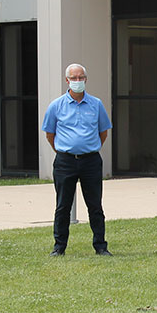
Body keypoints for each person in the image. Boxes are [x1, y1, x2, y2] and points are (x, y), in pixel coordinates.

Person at [42, 63, 113, 256]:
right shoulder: (56, 105)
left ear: (86, 80)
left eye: (81, 78)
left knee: (95, 205)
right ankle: (59, 247)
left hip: (90, 161)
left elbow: (103, 132)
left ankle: (100, 246)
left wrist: (89, 147)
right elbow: (50, 134)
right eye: (74, 78)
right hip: (65, 161)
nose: (77, 81)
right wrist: (63, 151)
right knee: (63, 205)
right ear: (67, 80)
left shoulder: (96, 104)